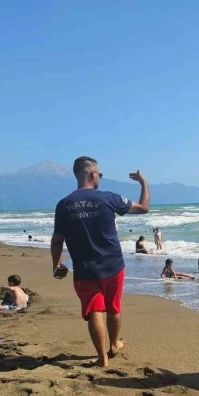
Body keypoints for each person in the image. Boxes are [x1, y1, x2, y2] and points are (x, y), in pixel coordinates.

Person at [51, 156, 150, 367]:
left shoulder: (64, 205)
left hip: (85, 269)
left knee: (94, 310)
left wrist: (56, 264)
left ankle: (101, 358)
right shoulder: (108, 198)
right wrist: (143, 183)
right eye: (100, 174)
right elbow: (143, 207)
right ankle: (114, 344)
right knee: (113, 307)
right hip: (113, 266)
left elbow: (57, 239)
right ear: (92, 174)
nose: (100, 178)